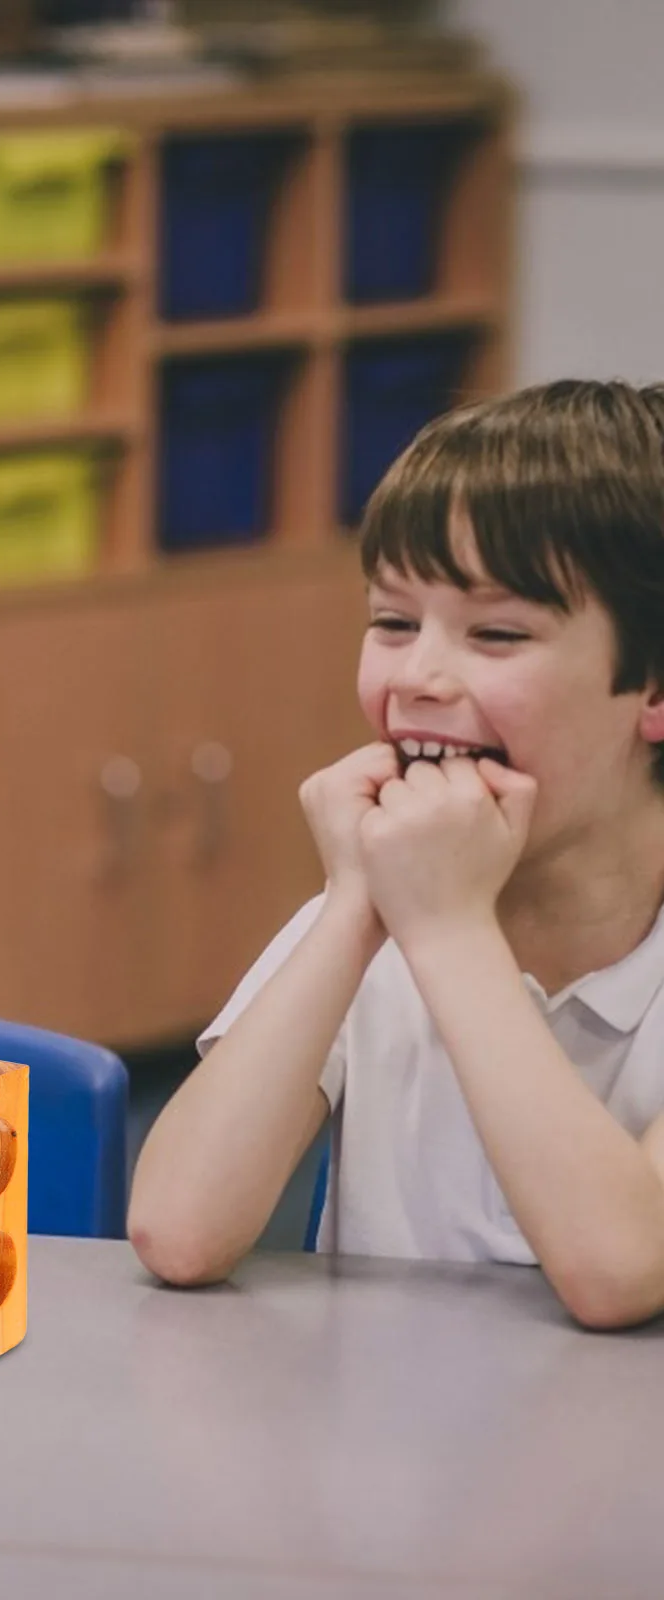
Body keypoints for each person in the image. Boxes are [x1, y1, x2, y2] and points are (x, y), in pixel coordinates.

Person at [128, 380, 664, 1329]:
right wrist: (352, 908)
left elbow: (619, 1272)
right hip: (388, 1459)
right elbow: (179, 1230)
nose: (417, 677)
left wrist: (452, 932)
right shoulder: (387, 904)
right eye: (392, 621)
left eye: (497, 634)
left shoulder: (437, 909)